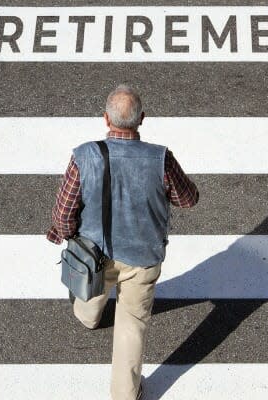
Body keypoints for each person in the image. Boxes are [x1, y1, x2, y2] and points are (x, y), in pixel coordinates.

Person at [46, 84, 199, 400]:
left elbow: (64, 211)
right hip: (143, 254)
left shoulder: (83, 156)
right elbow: (187, 199)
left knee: (91, 294)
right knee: (131, 325)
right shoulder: (161, 159)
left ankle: (88, 317)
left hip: (94, 252)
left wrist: (65, 233)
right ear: (142, 118)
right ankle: (125, 395)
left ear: (105, 119)